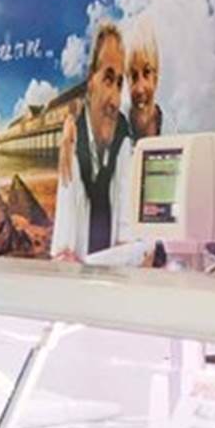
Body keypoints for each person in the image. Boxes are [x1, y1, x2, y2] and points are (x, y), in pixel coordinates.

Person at [51, 21, 133, 258]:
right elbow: (65, 234)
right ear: (90, 81)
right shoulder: (72, 139)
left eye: (119, 84)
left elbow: (125, 218)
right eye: (108, 80)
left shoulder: (122, 136)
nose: (115, 100)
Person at [127, 22, 163, 140]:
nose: (140, 89)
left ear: (156, 78)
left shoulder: (175, 131)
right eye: (133, 76)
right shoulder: (117, 136)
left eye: (147, 72)